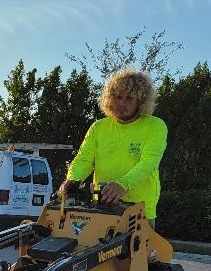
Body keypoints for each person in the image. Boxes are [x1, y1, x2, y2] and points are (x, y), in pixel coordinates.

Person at [61, 68, 167, 225]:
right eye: (118, 97)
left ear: (141, 101)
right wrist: (73, 179)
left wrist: (123, 184)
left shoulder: (155, 125)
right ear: (110, 98)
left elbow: (149, 162)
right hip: (103, 208)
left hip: (140, 210)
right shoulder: (98, 127)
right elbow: (84, 159)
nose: (122, 103)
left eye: (129, 98)